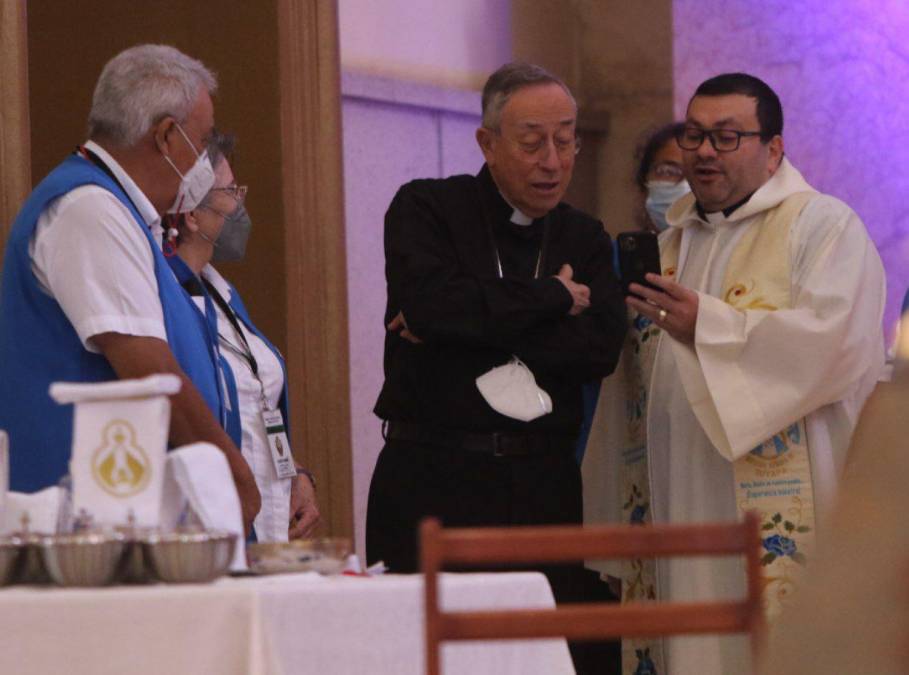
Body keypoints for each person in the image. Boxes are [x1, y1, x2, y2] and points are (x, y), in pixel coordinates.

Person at [607, 72, 886, 674]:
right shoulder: (673, 240)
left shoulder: (821, 226)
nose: (704, 151)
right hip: (676, 488)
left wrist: (705, 324)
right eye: (695, 135)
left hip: (764, 505)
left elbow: (836, 343)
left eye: (727, 137)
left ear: (774, 150)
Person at [366, 61, 626, 674]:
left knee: (547, 659)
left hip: (544, 484)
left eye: (566, 140)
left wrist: (467, 323)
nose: (553, 160)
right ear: (487, 142)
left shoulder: (584, 238)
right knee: (428, 656)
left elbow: (598, 350)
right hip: (431, 476)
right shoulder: (427, 207)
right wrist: (552, 300)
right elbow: (429, 303)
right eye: (533, 141)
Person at [0, 44, 260, 531]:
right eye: (202, 142)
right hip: (80, 525)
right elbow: (150, 373)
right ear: (165, 135)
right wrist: (233, 480)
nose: (206, 161)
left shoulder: (127, 215)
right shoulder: (89, 209)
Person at [169, 135, 319, 541]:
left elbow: (256, 406)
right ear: (191, 216)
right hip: (212, 522)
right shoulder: (165, 298)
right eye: (230, 192)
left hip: (270, 515)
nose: (240, 205)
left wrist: (294, 473)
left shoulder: (224, 294)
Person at [633, 122, 689, 233]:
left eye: (701, 173)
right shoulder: (610, 250)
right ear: (644, 184)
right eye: (669, 171)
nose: (684, 187)